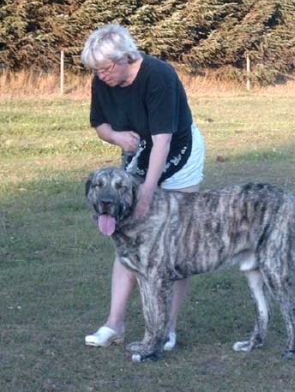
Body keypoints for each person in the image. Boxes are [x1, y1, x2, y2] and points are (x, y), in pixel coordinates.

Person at [80, 24, 205, 351]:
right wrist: (117, 137)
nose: (101, 75)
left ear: (125, 58)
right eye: (96, 70)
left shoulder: (159, 76)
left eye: (106, 68)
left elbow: (162, 142)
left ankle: (167, 328)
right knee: (128, 241)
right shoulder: (102, 78)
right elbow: (100, 125)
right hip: (136, 153)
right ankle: (115, 323)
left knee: (175, 244)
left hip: (177, 153)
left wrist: (146, 193)